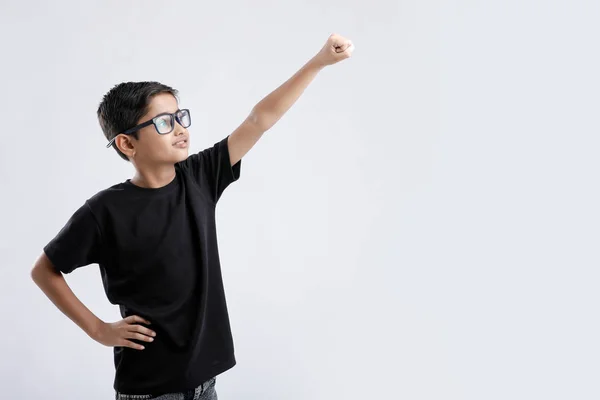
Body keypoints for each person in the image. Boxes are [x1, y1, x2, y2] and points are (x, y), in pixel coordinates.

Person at [30, 34, 354, 399]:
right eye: (164, 122)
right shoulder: (103, 211)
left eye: (180, 116)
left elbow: (259, 119)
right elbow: (45, 270)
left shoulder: (200, 177)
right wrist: (98, 329)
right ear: (127, 143)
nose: (181, 128)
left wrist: (318, 62)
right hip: (150, 390)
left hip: (205, 385)